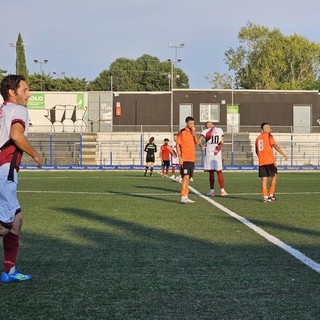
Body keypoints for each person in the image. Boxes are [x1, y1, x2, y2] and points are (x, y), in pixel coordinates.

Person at [0, 75, 43, 283]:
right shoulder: (18, 110)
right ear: (11, 92)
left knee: (16, 219)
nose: (29, 94)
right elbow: (17, 136)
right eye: (25, 90)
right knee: (5, 224)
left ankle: (9, 271)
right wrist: (35, 154)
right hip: (4, 170)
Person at [255, 122, 288, 202]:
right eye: (269, 128)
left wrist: (261, 156)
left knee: (264, 178)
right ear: (266, 129)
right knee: (274, 176)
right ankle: (271, 195)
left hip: (262, 161)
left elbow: (256, 150)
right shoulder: (269, 136)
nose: (271, 129)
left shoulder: (258, 138)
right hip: (269, 160)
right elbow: (275, 145)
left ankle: (265, 197)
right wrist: (283, 153)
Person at [176, 116, 204, 203]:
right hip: (185, 158)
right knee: (185, 177)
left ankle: (186, 196)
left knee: (188, 178)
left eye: (193, 123)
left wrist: (194, 132)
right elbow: (177, 145)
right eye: (191, 123)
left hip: (192, 158)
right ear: (186, 123)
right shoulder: (182, 132)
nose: (192, 125)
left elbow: (197, 142)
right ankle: (183, 196)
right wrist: (180, 156)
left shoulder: (192, 132)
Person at [199, 121, 228, 197]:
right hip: (217, 152)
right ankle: (222, 190)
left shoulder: (205, 131)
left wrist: (202, 147)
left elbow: (199, 141)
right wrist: (218, 147)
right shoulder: (220, 130)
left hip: (209, 152)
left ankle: (212, 191)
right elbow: (222, 142)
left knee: (211, 172)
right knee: (219, 172)